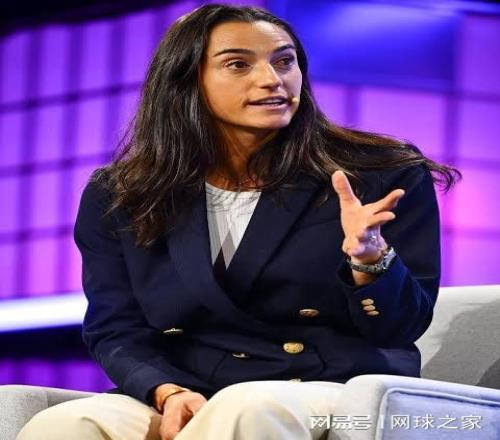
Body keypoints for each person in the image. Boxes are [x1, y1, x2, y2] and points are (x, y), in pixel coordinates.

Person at [17, 3, 461, 440]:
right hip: (189, 385)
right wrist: (167, 391)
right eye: (238, 64)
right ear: (187, 81)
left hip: (330, 387)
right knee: (65, 425)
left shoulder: (378, 172)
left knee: (246, 409)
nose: (272, 79)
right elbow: (115, 327)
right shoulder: (123, 193)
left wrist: (370, 261)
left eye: (284, 61)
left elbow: (399, 328)